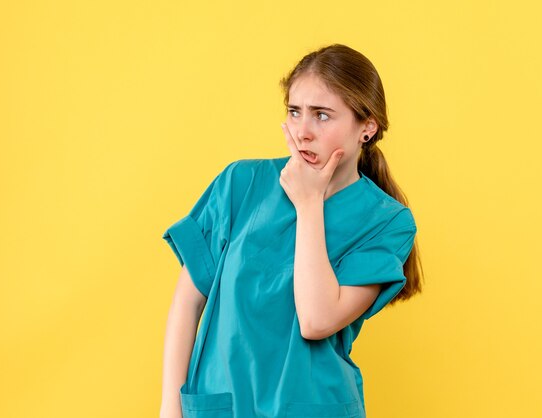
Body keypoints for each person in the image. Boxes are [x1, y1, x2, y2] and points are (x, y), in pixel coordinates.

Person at [159, 44, 424, 418]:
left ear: (367, 127)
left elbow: (316, 320)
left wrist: (309, 202)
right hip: (220, 404)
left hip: (313, 405)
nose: (303, 132)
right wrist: (170, 409)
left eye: (322, 116)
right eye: (295, 111)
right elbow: (188, 304)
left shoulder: (387, 222)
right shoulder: (240, 183)